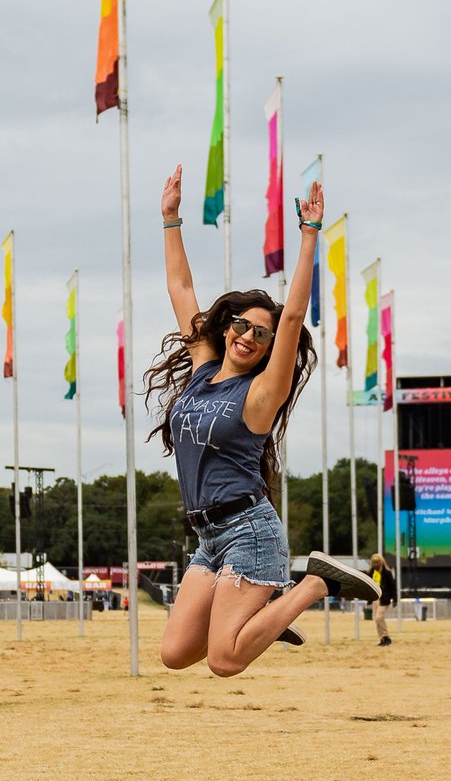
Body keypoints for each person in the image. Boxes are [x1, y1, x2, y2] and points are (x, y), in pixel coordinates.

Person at [145, 166, 379, 678]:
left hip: (248, 532)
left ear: (271, 347)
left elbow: (292, 317)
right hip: (207, 537)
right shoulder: (203, 368)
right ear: (227, 327)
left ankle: (315, 583)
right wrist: (170, 219)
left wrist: (309, 234)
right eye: (242, 326)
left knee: (225, 660)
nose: (249, 337)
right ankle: (265, 618)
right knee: (175, 654)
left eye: (261, 335)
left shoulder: (260, 395)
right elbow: (181, 287)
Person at [368, 553, 397, 646]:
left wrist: (395, 599)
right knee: (376, 620)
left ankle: (386, 636)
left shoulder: (387, 573)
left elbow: (393, 586)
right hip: (375, 598)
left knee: (379, 617)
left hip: (384, 598)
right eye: (374, 563)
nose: (376, 564)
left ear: (381, 562)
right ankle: (382, 638)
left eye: (377, 562)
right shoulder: (371, 573)